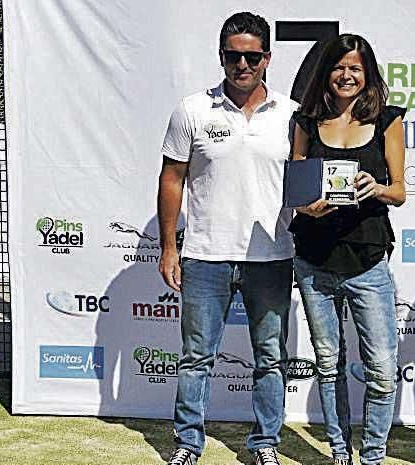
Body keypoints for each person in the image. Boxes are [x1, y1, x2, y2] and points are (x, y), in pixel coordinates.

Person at [156, 12, 297, 465]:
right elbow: (172, 178)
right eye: (233, 56)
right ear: (221, 57)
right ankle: (187, 443)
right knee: (197, 357)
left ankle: (266, 444)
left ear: (267, 58)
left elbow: (305, 184)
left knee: (270, 360)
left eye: (251, 56)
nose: (242, 64)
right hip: (204, 255)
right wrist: (168, 246)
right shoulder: (192, 109)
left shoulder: (292, 115)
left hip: (272, 256)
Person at [289, 33, 406, 465]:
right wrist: (308, 207)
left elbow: (399, 191)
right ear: (326, 72)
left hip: (368, 258)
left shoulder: (388, 120)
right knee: (327, 363)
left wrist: (376, 188)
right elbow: (296, 188)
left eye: (355, 68)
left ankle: (372, 455)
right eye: (339, 67)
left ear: (368, 74)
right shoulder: (305, 122)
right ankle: (340, 451)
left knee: (380, 369)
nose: (347, 75)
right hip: (315, 260)